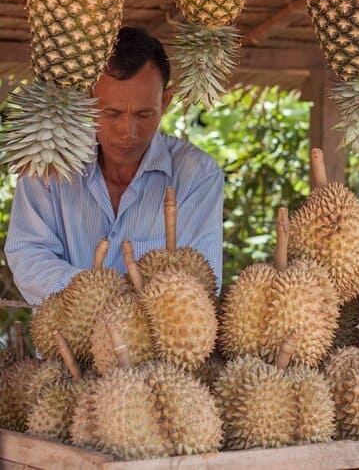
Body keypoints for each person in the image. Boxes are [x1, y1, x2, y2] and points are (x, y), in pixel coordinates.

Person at [5, 27, 223, 304]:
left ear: (165, 102)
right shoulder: (48, 163)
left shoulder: (197, 176)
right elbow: (28, 255)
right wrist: (100, 297)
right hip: (64, 333)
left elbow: (201, 283)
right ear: (88, 99)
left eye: (143, 114)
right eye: (111, 112)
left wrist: (113, 307)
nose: (127, 131)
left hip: (153, 334)